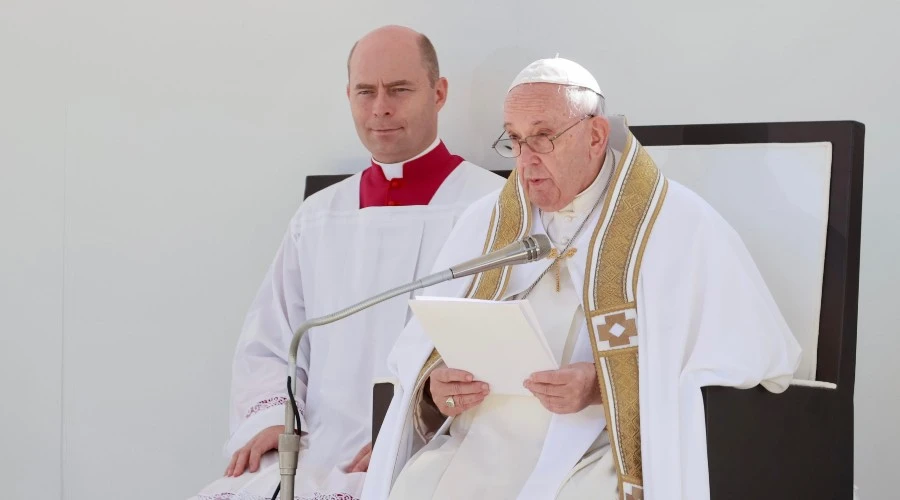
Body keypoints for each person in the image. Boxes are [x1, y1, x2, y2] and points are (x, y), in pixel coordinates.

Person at [362, 57, 802, 500]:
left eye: (543, 137)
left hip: (597, 447)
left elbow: (755, 359)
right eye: (514, 140)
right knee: (415, 487)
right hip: (479, 442)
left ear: (595, 136)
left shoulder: (675, 223)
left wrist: (601, 386)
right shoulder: (486, 222)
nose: (526, 160)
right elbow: (420, 356)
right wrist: (436, 388)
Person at [190, 25, 504, 500]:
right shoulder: (318, 216)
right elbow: (272, 341)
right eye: (366, 92)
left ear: (438, 93)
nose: (380, 108)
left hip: (432, 449)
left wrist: (412, 431)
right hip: (312, 446)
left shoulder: (492, 208)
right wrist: (274, 419)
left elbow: (498, 352)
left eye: (399, 89)